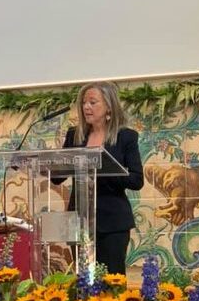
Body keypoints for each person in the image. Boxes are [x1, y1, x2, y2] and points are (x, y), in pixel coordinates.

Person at [53, 81, 144, 274]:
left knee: (111, 282)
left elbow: (137, 180)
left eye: (93, 102)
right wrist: (46, 166)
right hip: (79, 219)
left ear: (109, 105)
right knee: (84, 281)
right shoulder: (74, 135)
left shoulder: (125, 137)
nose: (86, 107)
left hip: (112, 223)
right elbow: (58, 178)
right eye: (84, 103)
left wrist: (103, 169)